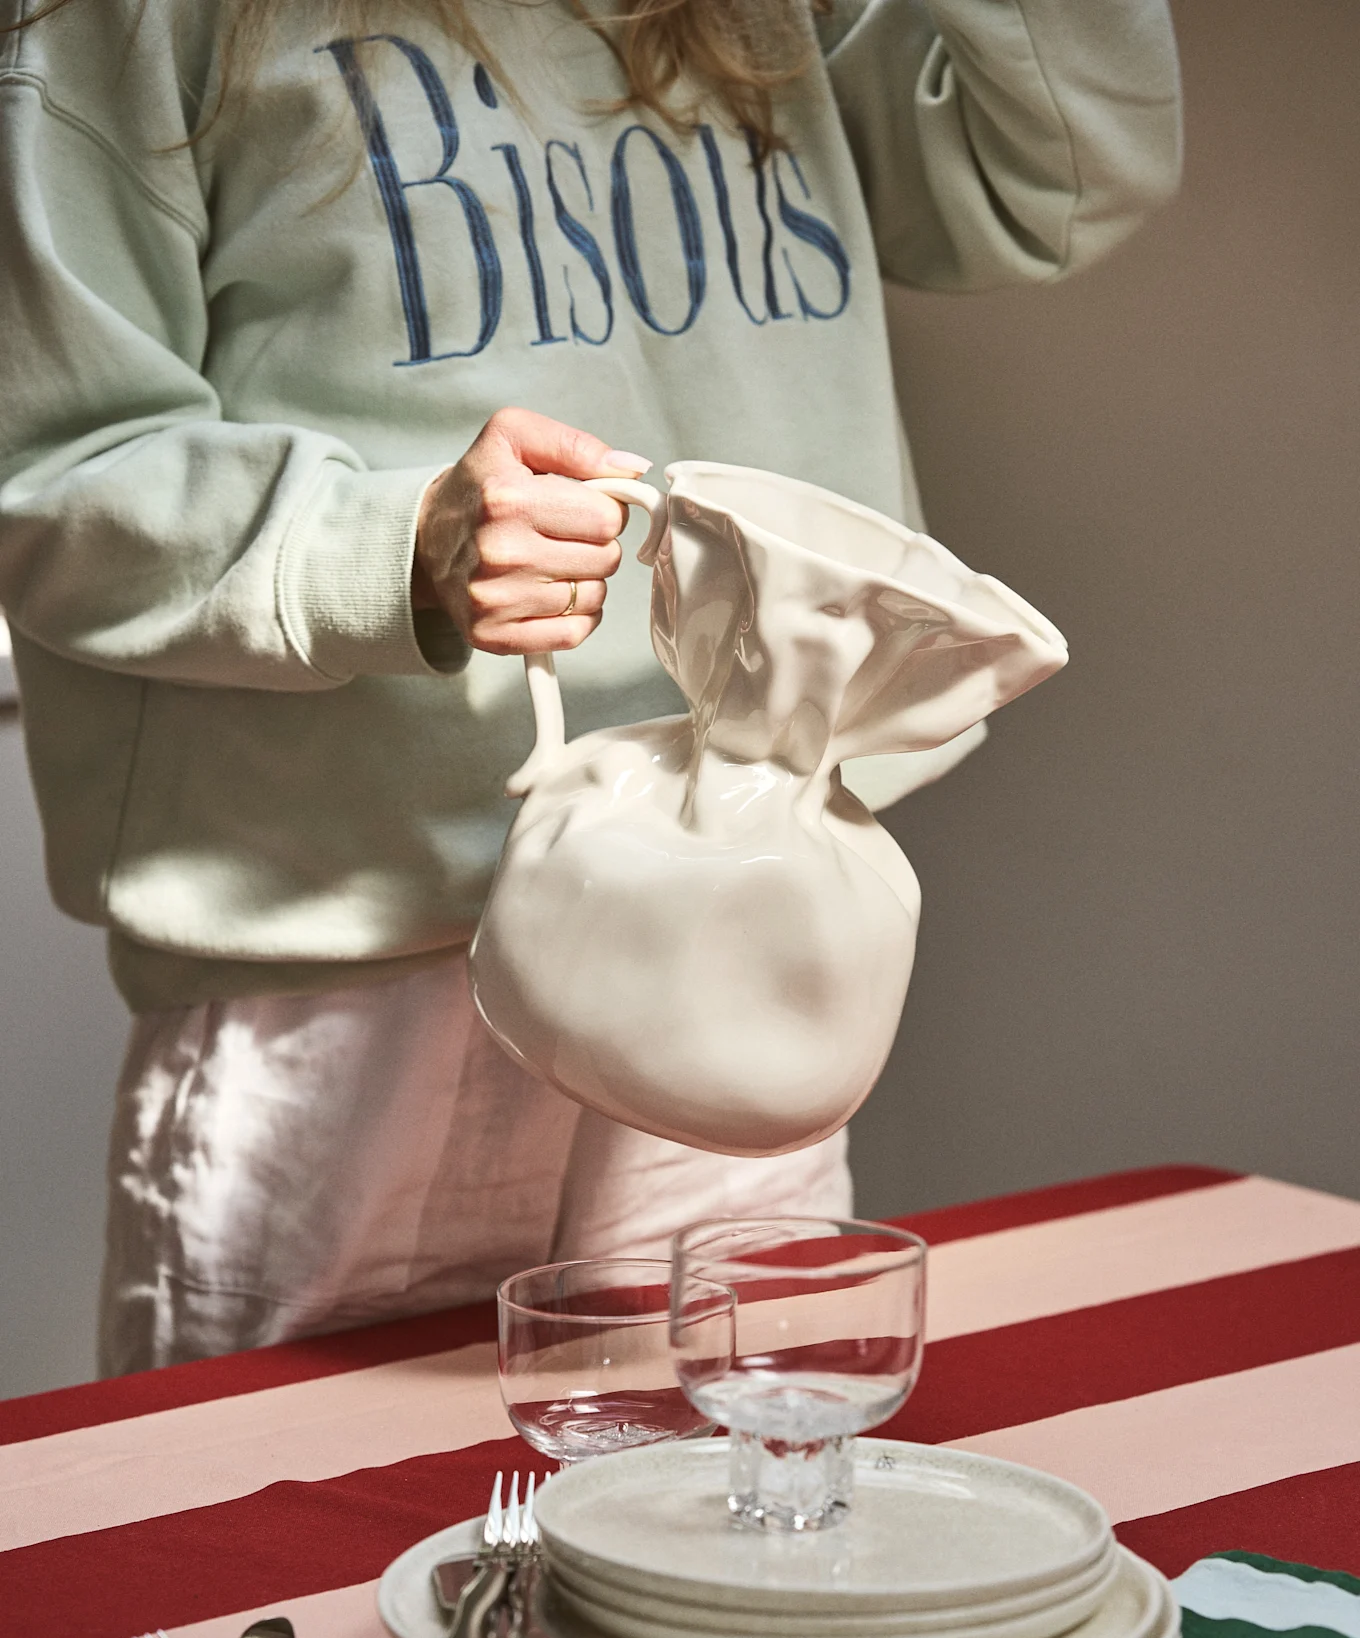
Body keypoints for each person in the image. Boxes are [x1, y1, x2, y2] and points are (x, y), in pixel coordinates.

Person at [0, 0, 1181, 1373]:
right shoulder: (134, 23)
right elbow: (43, 473)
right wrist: (401, 549)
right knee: (275, 1550)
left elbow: (1057, 178)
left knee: (738, 1515)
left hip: (748, 908)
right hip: (340, 976)